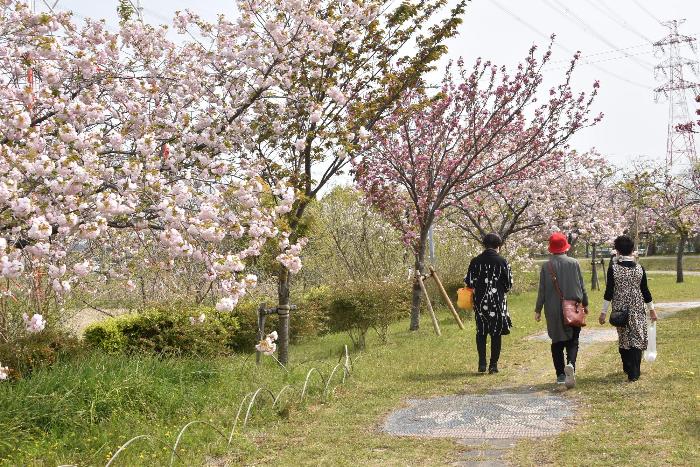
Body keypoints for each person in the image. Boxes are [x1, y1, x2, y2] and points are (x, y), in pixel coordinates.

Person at [598, 235, 657, 382]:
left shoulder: (613, 269)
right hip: (637, 307)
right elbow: (645, 291)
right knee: (637, 338)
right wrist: (652, 309)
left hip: (620, 309)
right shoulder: (639, 269)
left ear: (617, 250)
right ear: (632, 250)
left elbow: (609, 292)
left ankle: (628, 367)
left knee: (624, 338)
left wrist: (603, 312)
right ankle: (634, 371)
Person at [535, 232, 588, 388]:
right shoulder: (574, 263)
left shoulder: (546, 266)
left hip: (553, 309)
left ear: (551, 249)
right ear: (565, 247)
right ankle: (570, 363)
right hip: (573, 307)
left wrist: (538, 309)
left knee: (557, 341)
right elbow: (581, 286)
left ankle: (560, 375)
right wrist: (585, 303)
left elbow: (542, 290)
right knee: (573, 339)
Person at [465, 233, 513, 374]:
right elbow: (508, 284)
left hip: (480, 302)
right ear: (498, 246)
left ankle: (481, 363)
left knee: (481, 331)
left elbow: (469, 282)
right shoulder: (503, 261)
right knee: (496, 332)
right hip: (497, 302)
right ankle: (493, 365)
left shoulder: (475, 261)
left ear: (484, 245)